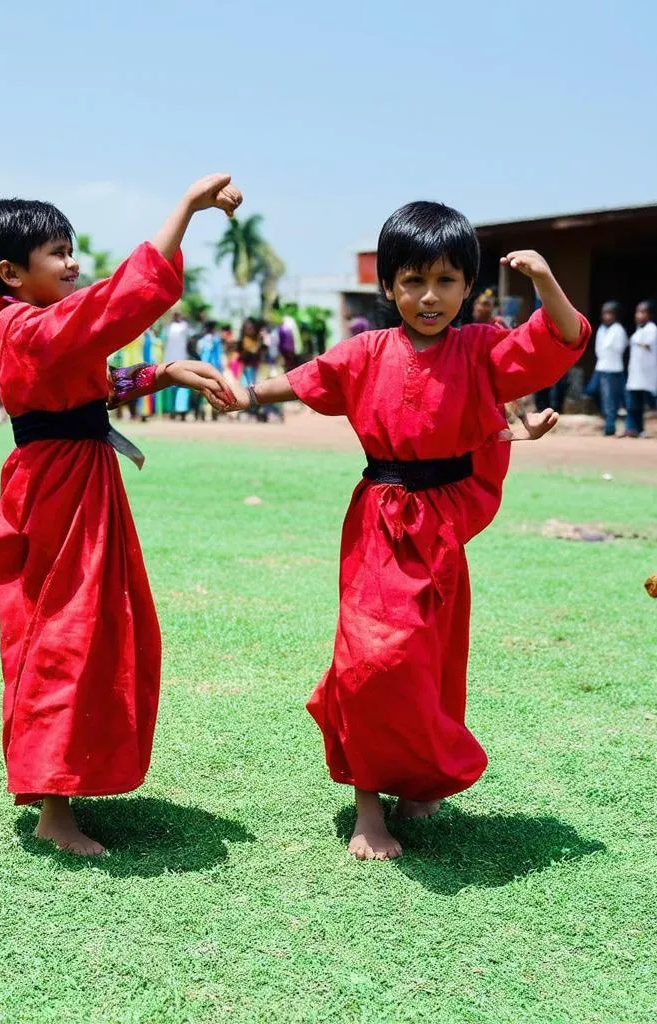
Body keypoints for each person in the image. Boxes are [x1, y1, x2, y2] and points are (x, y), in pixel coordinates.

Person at [229, 201, 589, 860]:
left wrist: (544, 281)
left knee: (426, 660)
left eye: (447, 281)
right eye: (414, 281)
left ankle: (418, 782)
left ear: (468, 288)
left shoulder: (482, 350)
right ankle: (369, 807)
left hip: (441, 529)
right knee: (370, 662)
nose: (430, 297)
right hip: (377, 522)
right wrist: (243, 395)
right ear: (390, 286)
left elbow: (558, 341)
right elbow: (309, 381)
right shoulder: (367, 351)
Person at [0, 173, 242, 856]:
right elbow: (118, 303)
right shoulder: (24, 325)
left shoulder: (37, 323)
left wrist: (163, 374)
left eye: (71, 247)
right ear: (13, 274)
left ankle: (65, 783)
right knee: (63, 635)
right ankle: (53, 809)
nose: (73, 261)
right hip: (58, 494)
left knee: (94, 628)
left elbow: (96, 384)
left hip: (82, 483)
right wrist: (185, 208)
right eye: (57, 252)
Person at [624, 300, 657, 437]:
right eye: (638, 312)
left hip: (644, 374)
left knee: (635, 404)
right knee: (635, 404)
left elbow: (646, 344)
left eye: (643, 312)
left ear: (650, 314)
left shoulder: (651, 328)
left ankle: (634, 429)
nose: (639, 315)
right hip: (636, 373)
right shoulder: (640, 329)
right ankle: (636, 429)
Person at [594, 301, 629, 436]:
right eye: (604, 313)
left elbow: (620, 348)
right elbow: (599, 349)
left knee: (613, 399)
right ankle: (609, 425)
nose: (606, 316)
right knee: (601, 396)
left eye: (609, 313)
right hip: (602, 367)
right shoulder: (602, 329)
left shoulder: (618, 329)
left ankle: (610, 427)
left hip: (614, 368)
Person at [163, 312, 191, 418]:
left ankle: (178, 411)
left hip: (177, 360)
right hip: (172, 360)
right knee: (176, 386)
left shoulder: (181, 326)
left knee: (179, 386)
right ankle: (175, 410)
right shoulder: (170, 327)